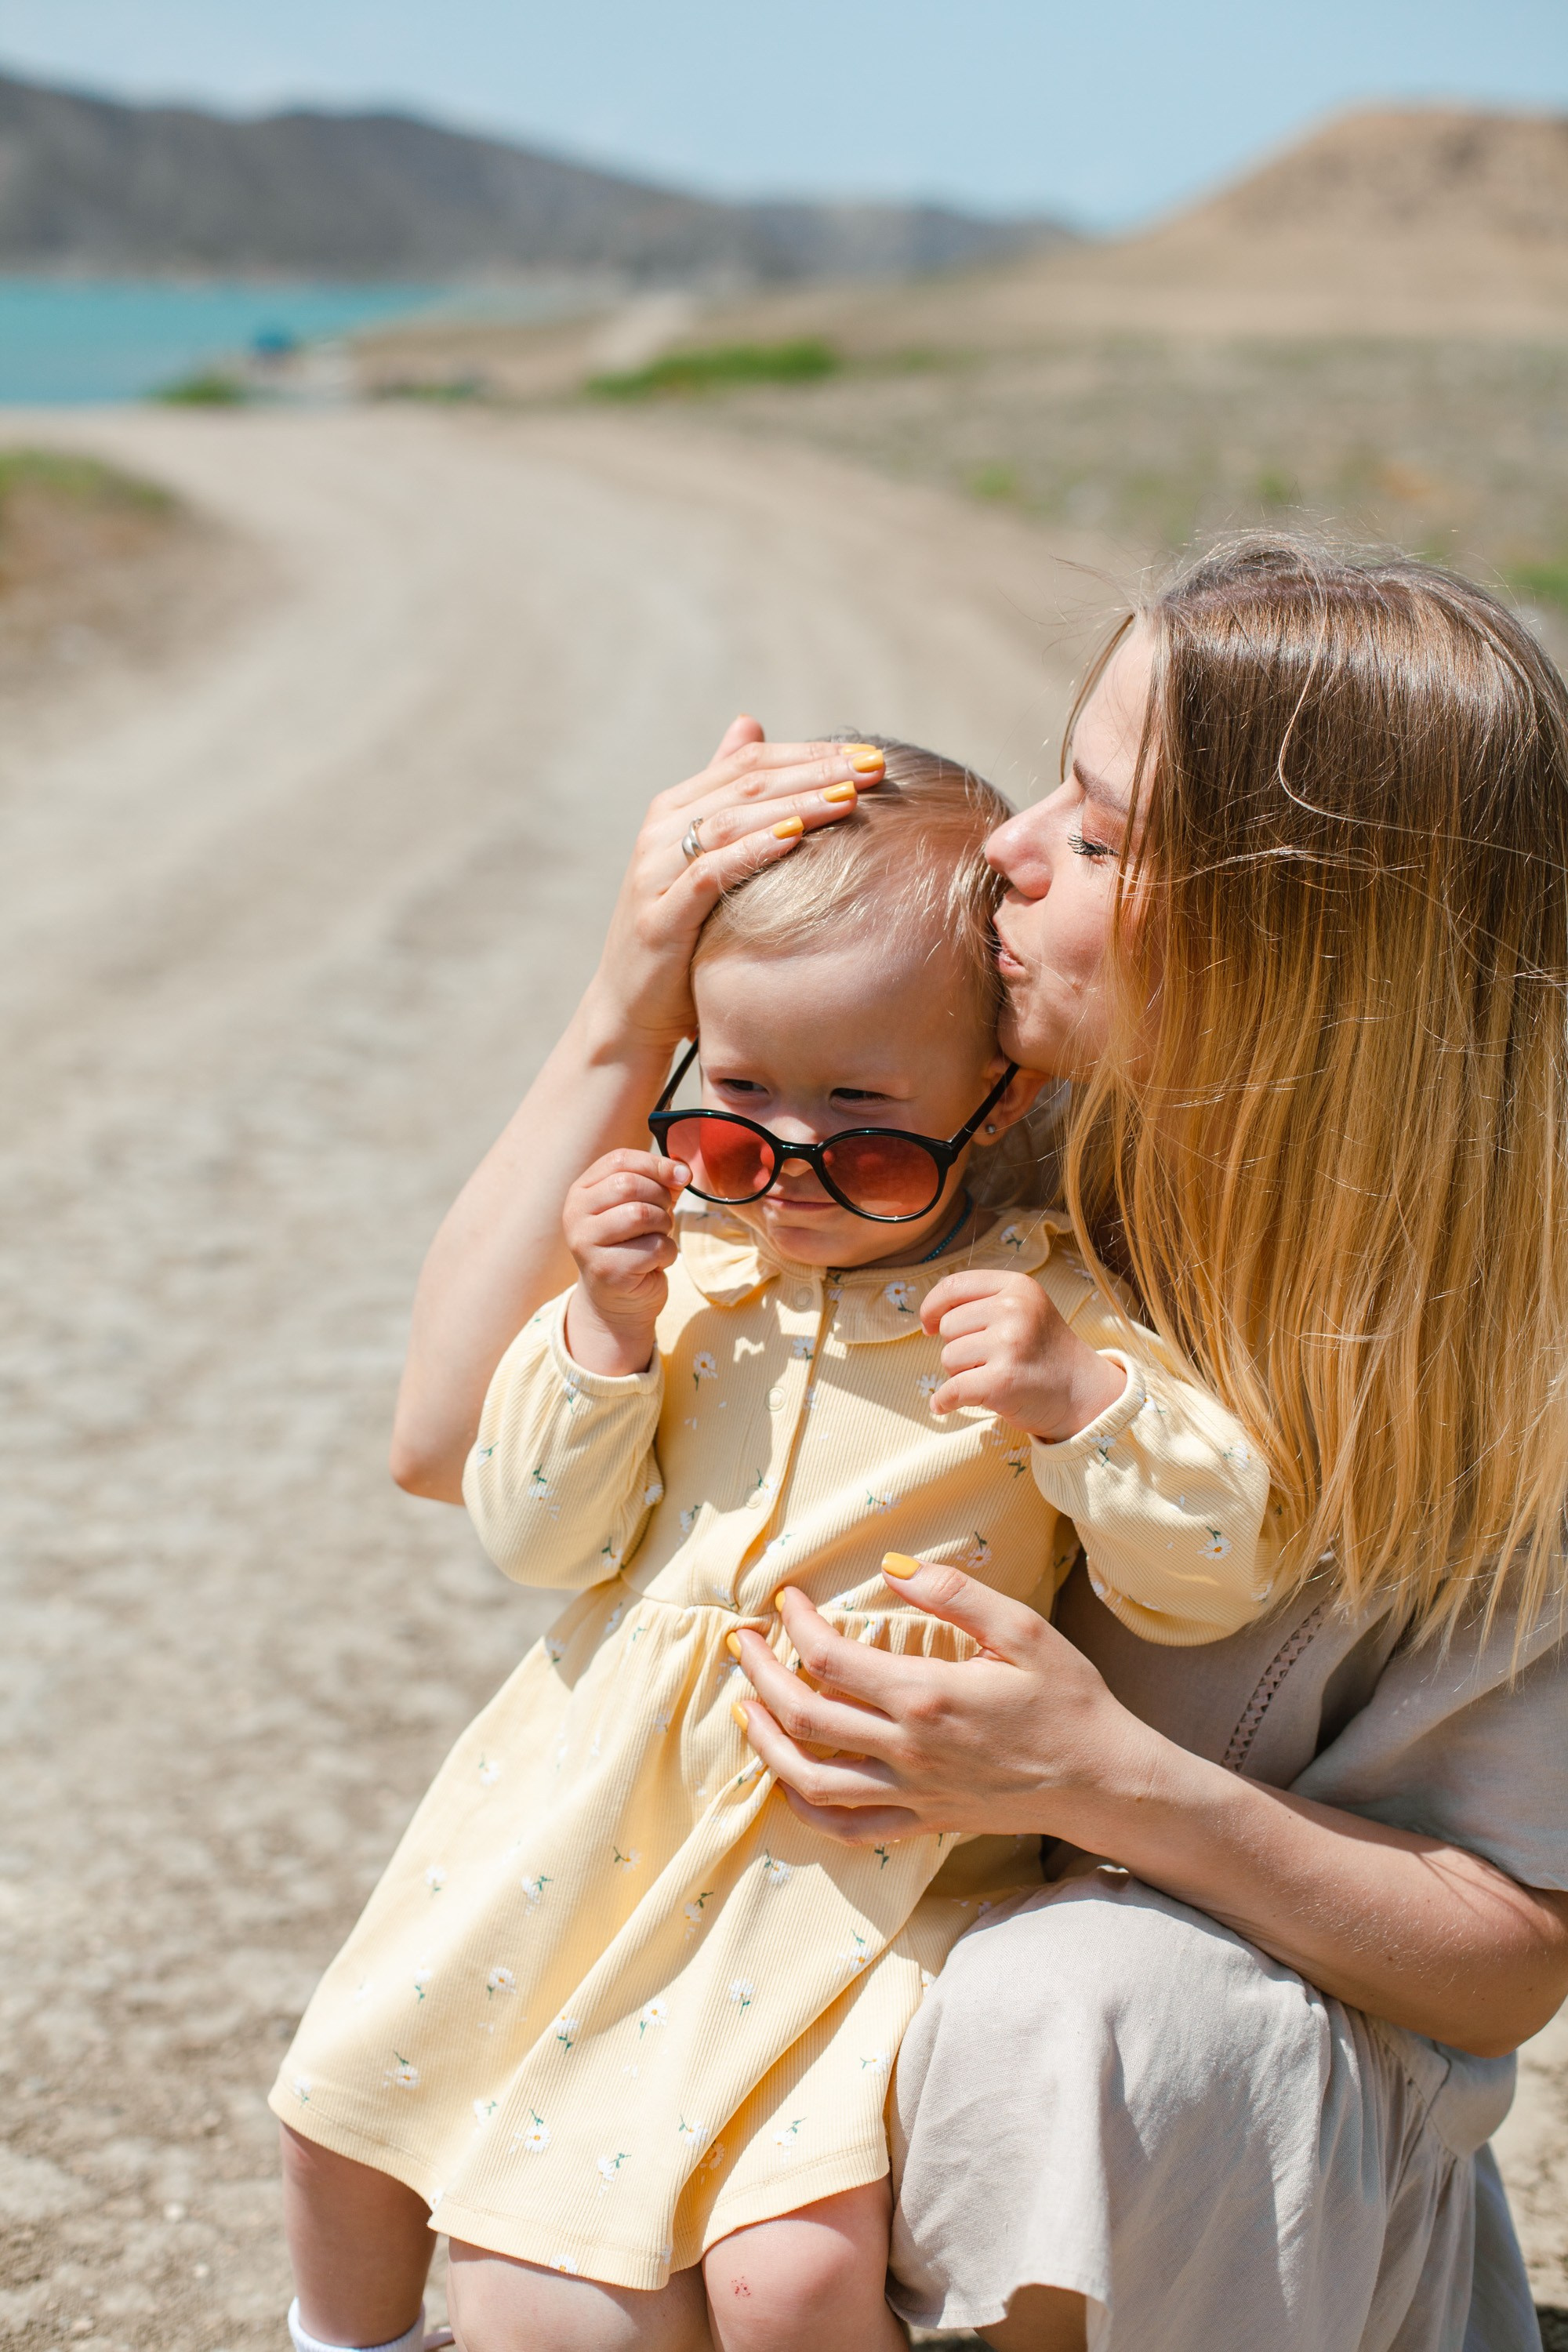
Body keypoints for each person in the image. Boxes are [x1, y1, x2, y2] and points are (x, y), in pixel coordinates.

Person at [272, 742, 1283, 2352]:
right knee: (348, 2112)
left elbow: (1209, 1566)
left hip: (843, 1868)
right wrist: (600, 1340)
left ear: (999, 1093)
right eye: (735, 1119)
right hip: (584, 1824)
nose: (790, 1171)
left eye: (866, 1129)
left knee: (789, 2274)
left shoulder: (1053, 1311)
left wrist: (1077, 1408)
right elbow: (534, 1536)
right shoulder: (681, 1281)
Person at [722, 543, 1568, 2350]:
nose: (1009, 854)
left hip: (1246, 2172)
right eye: (1054, 781)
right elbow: (446, 1435)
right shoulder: (965, 1150)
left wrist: (1095, 1778)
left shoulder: (1517, 1374)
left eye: (1100, 835)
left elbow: (1502, 1969)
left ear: (1308, 944)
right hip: (887, 2032)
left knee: (1078, 1999)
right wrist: (627, 987)